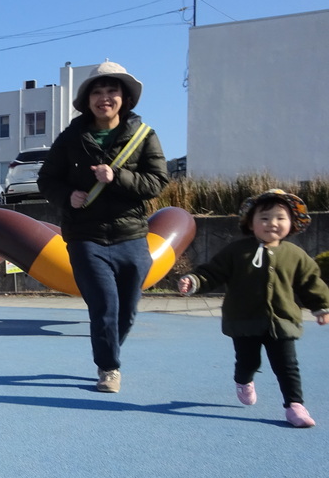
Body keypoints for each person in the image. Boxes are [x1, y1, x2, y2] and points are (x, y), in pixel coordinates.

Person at [37, 60, 169, 393]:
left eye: (112, 91)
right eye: (98, 91)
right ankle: (108, 367)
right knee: (104, 306)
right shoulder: (71, 138)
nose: (105, 98)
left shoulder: (143, 136)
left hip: (132, 236)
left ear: (124, 98)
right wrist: (69, 196)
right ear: (88, 99)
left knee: (126, 311)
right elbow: (46, 179)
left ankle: (109, 347)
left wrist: (118, 176)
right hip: (86, 237)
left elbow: (158, 181)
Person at [178, 190, 329, 428]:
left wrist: (321, 306)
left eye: (281, 218)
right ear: (251, 222)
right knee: (248, 362)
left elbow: (310, 282)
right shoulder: (237, 251)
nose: (273, 223)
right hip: (244, 321)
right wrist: (194, 281)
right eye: (265, 217)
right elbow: (213, 272)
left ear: (292, 223)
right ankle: (243, 380)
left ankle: (294, 405)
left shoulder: (296, 255)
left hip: (282, 321)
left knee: (287, 365)